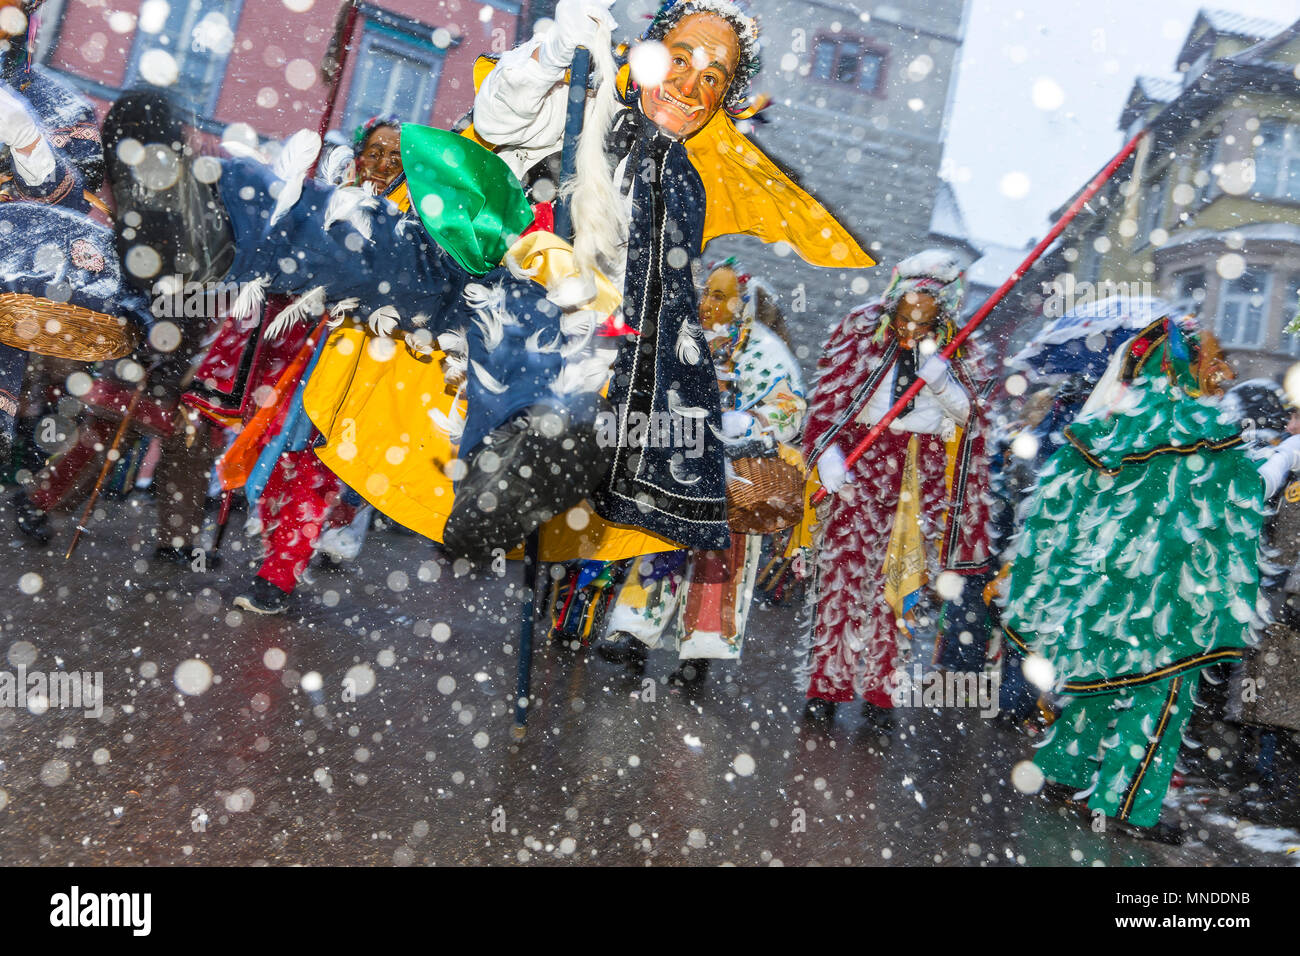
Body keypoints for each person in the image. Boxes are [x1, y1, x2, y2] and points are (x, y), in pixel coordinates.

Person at [998, 318, 1288, 843]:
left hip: (1108, 592)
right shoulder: (1201, 426)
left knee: (1100, 684)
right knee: (1164, 695)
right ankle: (1128, 803)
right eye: (1208, 359)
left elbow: (1062, 503)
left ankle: (1065, 773)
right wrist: (1285, 456)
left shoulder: (1113, 422)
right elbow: (1241, 492)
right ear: (1185, 364)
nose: (1219, 371)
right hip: (1172, 594)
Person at [799, 250, 992, 727]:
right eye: (905, 314)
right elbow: (828, 401)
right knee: (843, 577)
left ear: (942, 312)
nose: (911, 326)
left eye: (923, 317)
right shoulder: (860, 330)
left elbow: (974, 419)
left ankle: (882, 693)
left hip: (918, 468)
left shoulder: (961, 348)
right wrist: (828, 455)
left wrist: (944, 385)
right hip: (863, 460)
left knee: (901, 582)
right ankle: (827, 685)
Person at [597, 260, 806, 687]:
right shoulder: (686, 337)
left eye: (718, 295)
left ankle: (698, 658)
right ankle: (634, 638)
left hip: (733, 475)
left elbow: (789, 408)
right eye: (705, 292)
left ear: (742, 303)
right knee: (660, 547)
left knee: (717, 567)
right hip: (683, 466)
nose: (706, 303)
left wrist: (748, 425)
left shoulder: (765, 351)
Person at [231, 117, 405, 615]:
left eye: (395, 157)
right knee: (276, 457)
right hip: (299, 355)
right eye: (375, 152)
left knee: (321, 466)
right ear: (357, 154)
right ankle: (279, 551)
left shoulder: (409, 220)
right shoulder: (326, 198)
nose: (382, 165)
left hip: (363, 363)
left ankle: (279, 574)